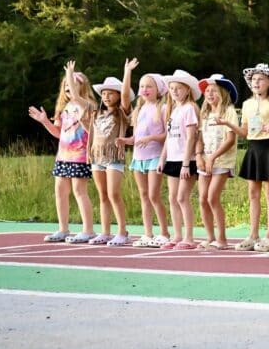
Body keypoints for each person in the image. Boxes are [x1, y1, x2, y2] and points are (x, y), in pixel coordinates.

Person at [28, 61, 97, 244]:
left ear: (82, 87)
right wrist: (44, 121)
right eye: (66, 85)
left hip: (80, 156)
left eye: (74, 84)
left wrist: (70, 74)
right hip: (63, 156)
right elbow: (59, 133)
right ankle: (63, 229)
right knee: (60, 191)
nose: (69, 87)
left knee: (79, 191)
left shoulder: (86, 104)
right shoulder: (64, 108)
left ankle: (88, 230)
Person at [219, 63, 269, 252]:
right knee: (253, 194)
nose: (256, 82)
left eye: (260, 79)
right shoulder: (247, 104)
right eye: (254, 79)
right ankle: (253, 234)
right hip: (253, 148)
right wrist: (228, 124)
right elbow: (245, 132)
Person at [118, 60, 170, 248]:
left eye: (149, 86)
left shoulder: (163, 108)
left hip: (155, 157)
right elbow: (137, 137)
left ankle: (164, 233)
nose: (145, 89)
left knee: (154, 195)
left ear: (159, 89)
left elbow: (167, 135)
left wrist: (151, 138)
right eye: (142, 86)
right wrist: (127, 141)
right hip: (138, 159)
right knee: (143, 195)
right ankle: (147, 234)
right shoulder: (138, 109)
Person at [88, 75, 134, 246]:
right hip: (97, 156)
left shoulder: (122, 112)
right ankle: (105, 232)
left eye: (111, 93)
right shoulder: (96, 113)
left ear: (118, 95)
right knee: (103, 195)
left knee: (114, 193)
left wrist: (127, 71)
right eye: (104, 94)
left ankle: (122, 231)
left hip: (114, 156)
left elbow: (127, 98)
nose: (106, 97)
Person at [158, 70, 201, 249]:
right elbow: (169, 136)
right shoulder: (174, 110)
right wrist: (163, 158)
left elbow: (191, 137)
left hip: (186, 159)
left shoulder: (190, 108)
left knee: (183, 197)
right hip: (173, 158)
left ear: (187, 90)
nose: (175, 91)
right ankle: (176, 235)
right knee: (172, 198)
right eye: (172, 88)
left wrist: (186, 163)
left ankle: (189, 237)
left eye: (179, 88)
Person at [196, 74, 239, 250]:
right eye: (207, 90)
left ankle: (221, 239)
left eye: (214, 90)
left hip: (222, 160)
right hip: (205, 159)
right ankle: (210, 237)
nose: (210, 93)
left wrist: (213, 157)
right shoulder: (204, 113)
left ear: (222, 93)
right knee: (202, 200)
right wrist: (199, 155)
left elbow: (230, 139)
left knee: (212, 197)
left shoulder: (228, 111)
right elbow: (199, 137)